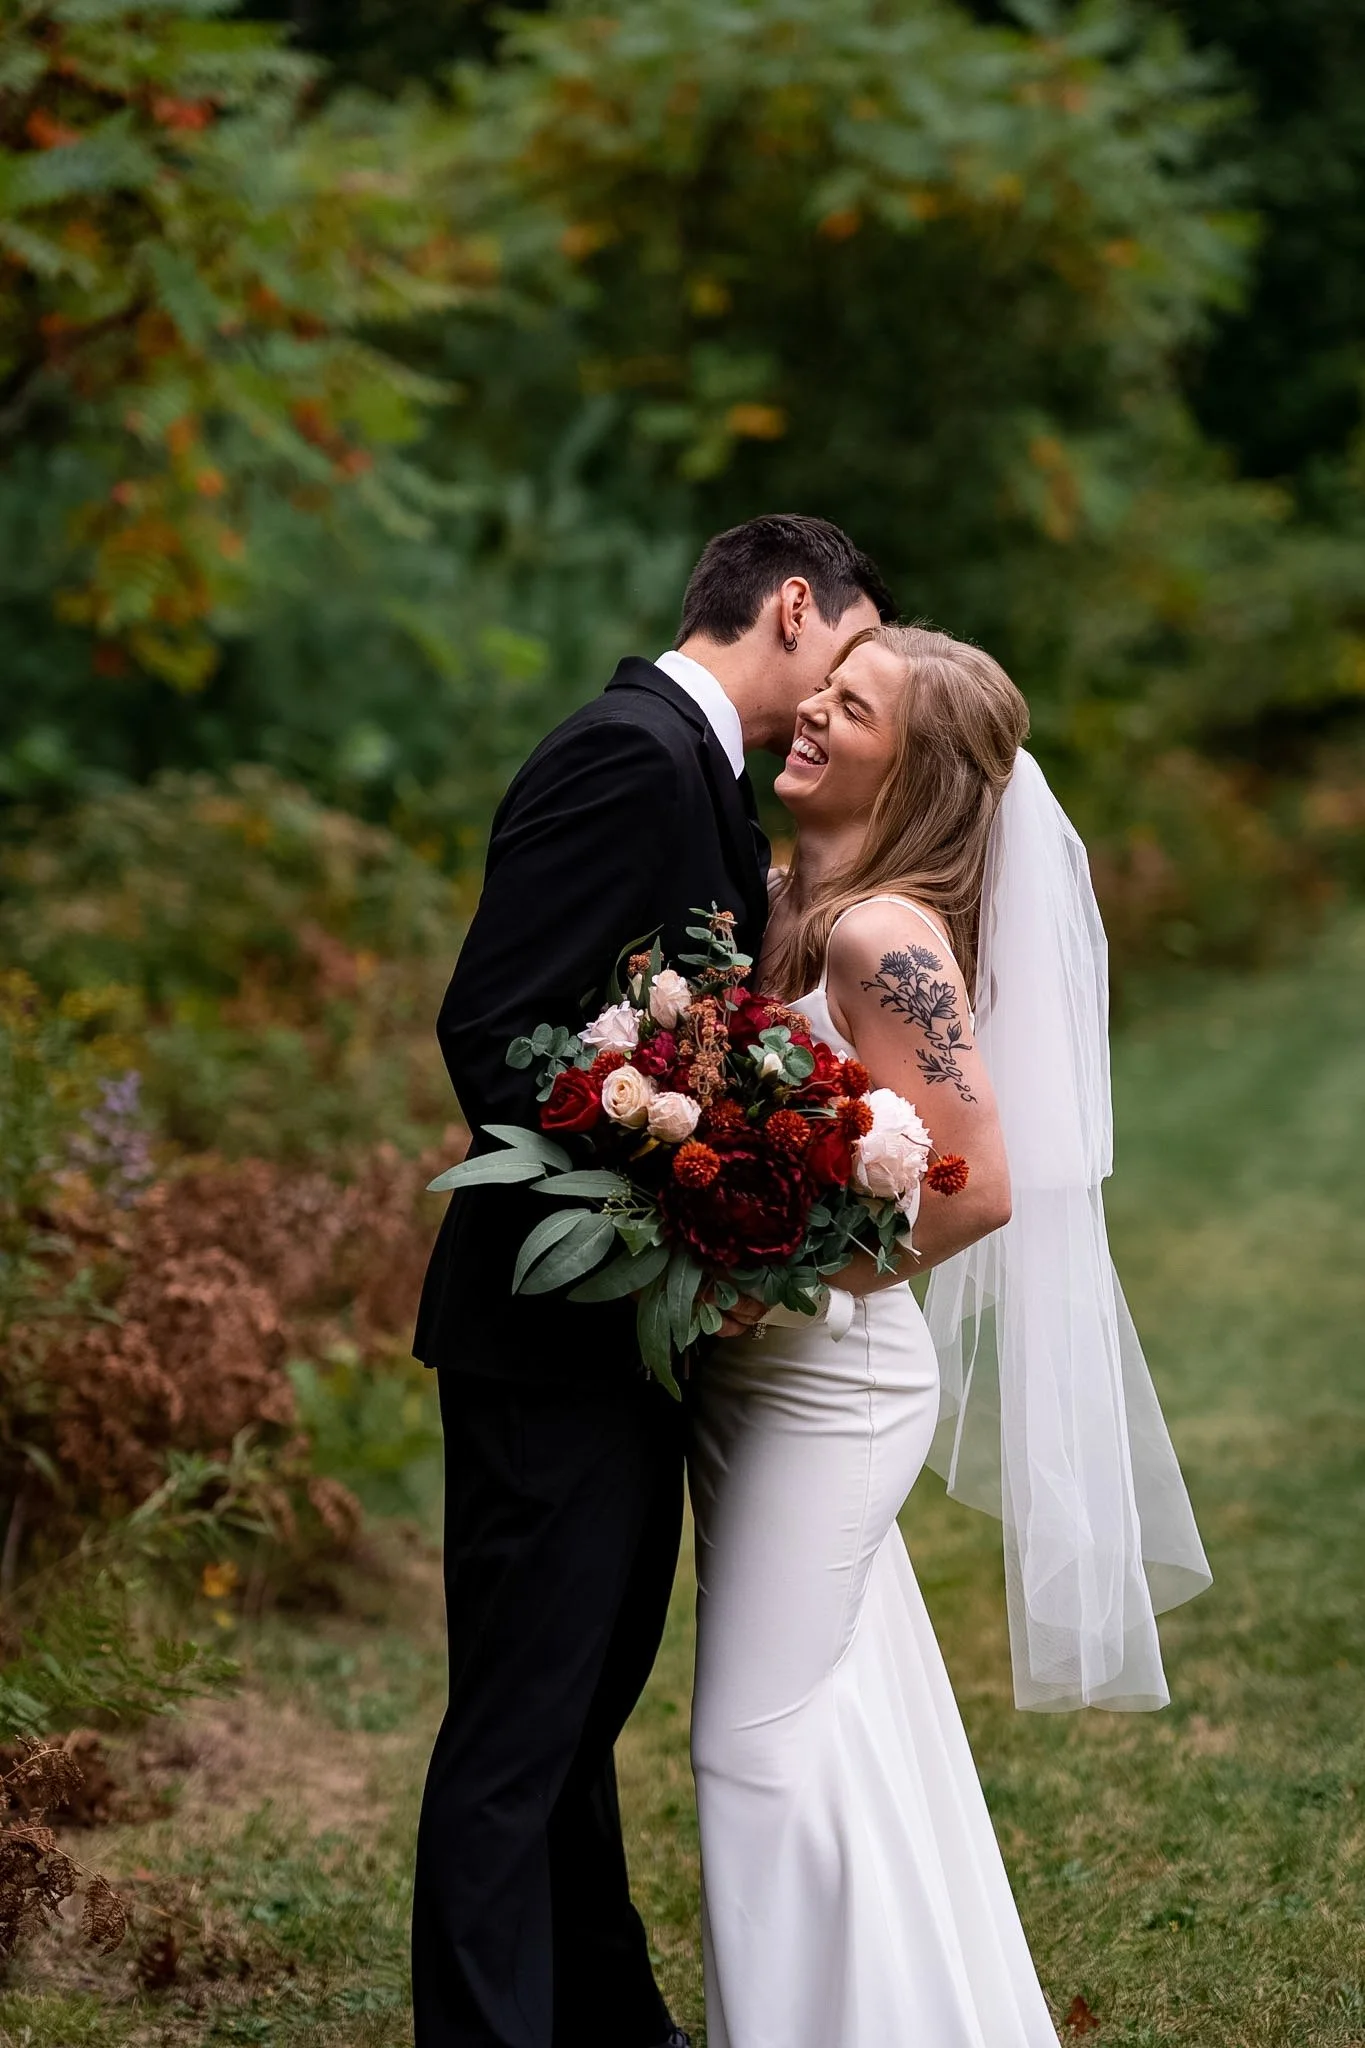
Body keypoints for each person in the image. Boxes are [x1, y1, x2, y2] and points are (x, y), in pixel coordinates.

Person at [688, 624, 1212, 2047]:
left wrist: (771, 1280)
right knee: (850, 1731)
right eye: (822, 692)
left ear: (910, 770)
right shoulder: (796, 898)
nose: (808, 714)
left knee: (750, 1753)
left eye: (848, 710)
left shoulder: (882, 935)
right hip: (762, 1383)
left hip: (831, 1388)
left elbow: (978, 1182)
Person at [410, 516, 895, 2048]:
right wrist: (667, 1184)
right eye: (858, 648)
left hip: (619, 1337)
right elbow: (492, 1028)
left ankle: (613, 2023)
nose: (850, 686)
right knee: (517, 1731)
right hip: (548, 1324)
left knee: (577, 1713)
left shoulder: (694, 770)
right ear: (796, 607)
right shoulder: (628, 751)